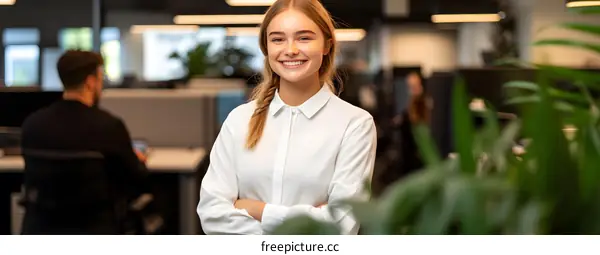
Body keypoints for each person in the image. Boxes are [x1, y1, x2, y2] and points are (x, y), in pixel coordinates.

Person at [197, 0, 378, 235]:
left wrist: (258, 209)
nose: (290, 49)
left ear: (326, 45)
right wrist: (308, 224)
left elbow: (340, 226)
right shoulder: (238, 120)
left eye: (304, 38)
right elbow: (212, 214)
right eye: (278, 39)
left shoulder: (355, 124)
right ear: (266, 48)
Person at [19, 50, 149, 234]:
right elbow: (137, 181)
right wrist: (140, 161)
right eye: (100, 77)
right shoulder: (109, 126)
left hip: (43, 230)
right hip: (96, 230)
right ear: (90, 81)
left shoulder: (32, 124)